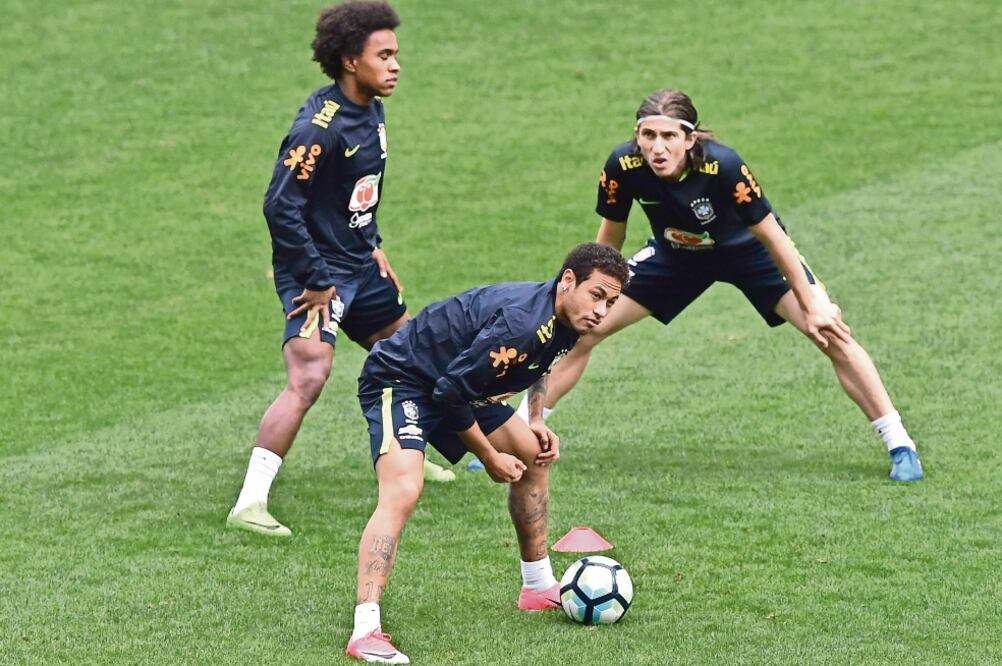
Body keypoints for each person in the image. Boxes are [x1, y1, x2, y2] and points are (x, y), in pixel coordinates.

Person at [519, 89, 922, 482]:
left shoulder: (723, 166)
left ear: (690, 138)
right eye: (648, 135)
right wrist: (593, 294)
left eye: (669, 136)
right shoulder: (623, 167)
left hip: (750, 254)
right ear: (637, 136)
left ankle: (899, 443)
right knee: (581, 331)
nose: (657, 148)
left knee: (829, 332)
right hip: (675, 256)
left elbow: (773, 237)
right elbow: (611, 237)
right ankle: (520, 435)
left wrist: (811, 300)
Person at [227, 1, 452, 539]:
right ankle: (249, 503)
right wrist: (314, 276)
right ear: (351, 60)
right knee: (308, 376)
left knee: (410, 352)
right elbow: (280, 205)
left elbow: (353, 193)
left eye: (397, 54)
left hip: (357, 262)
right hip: (318, 274)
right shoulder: (317, 130)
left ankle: (421, 450)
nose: (396, 65)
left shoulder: (371, 106)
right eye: (385, 55)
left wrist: (373, 244)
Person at [345, 244, 629, 664]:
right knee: (404, 489)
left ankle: (537, 585)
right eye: (597, 295)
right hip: (403, 380)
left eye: (612, 302)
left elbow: (542, 364)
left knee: (534, 454)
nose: (602, 311)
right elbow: (448, 394)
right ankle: (364, 629)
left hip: (460, 384)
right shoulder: (521, 325)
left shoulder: (567, 316)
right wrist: (490, 458)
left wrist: (535, 419)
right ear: (568, 280)